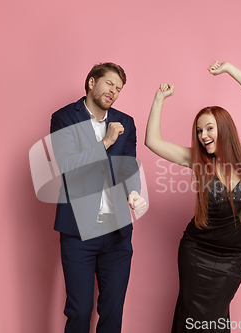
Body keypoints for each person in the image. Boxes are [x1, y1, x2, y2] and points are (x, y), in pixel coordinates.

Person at [145, 60, 241, 332]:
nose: (203, 136)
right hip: (196, 252)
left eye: (209, 128)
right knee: (191, 315)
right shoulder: (198, 160)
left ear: (223, 128)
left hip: (233, 257)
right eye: (199, 131)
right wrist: (159, 99)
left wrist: (230, 70)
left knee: (215, 318)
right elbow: (152, 142)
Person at [50, 62, 147, 333]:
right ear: (92, 82)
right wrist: (105, 142)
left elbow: (128, 165)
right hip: (78, 232)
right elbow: (68, 165)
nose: (113, 91)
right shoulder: (64, 118)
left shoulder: (125, 122)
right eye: (109, 84)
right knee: (79, 311)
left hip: (117, 233)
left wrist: (134, 193)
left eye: (118, 88)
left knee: (113, 312)